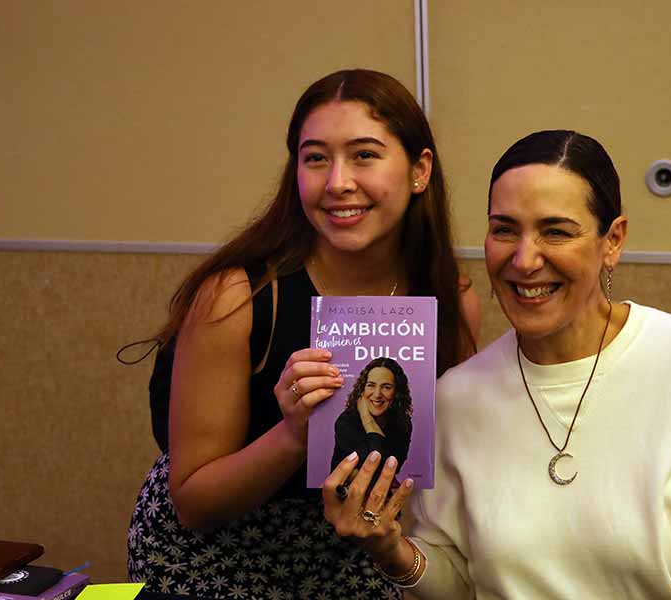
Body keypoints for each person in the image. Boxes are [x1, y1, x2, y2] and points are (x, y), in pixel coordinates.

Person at [322, 130, 671, 599]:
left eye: (556, 232)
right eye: (504, 230)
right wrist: (392, 551)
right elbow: (460, 578)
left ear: (613, 241)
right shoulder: (456, 397)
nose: (525, 260)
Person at [125, 68, 481, 598]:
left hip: (360, 554)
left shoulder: (450, 302)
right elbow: (193, 503)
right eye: (315, 158)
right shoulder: (238, 297)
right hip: (216, 558)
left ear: (419, 170)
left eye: (364, 155)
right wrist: (295, 435)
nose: (337, 182)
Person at [331, 357, 413, 478]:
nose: (377, 394)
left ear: (397, 392)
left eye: (386, 387)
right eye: (371, 385)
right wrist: (365, 416)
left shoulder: (403, 423)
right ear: (362, 389)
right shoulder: (346, 422)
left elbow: (394, 467)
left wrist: (366, 417)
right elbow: (374, 465)